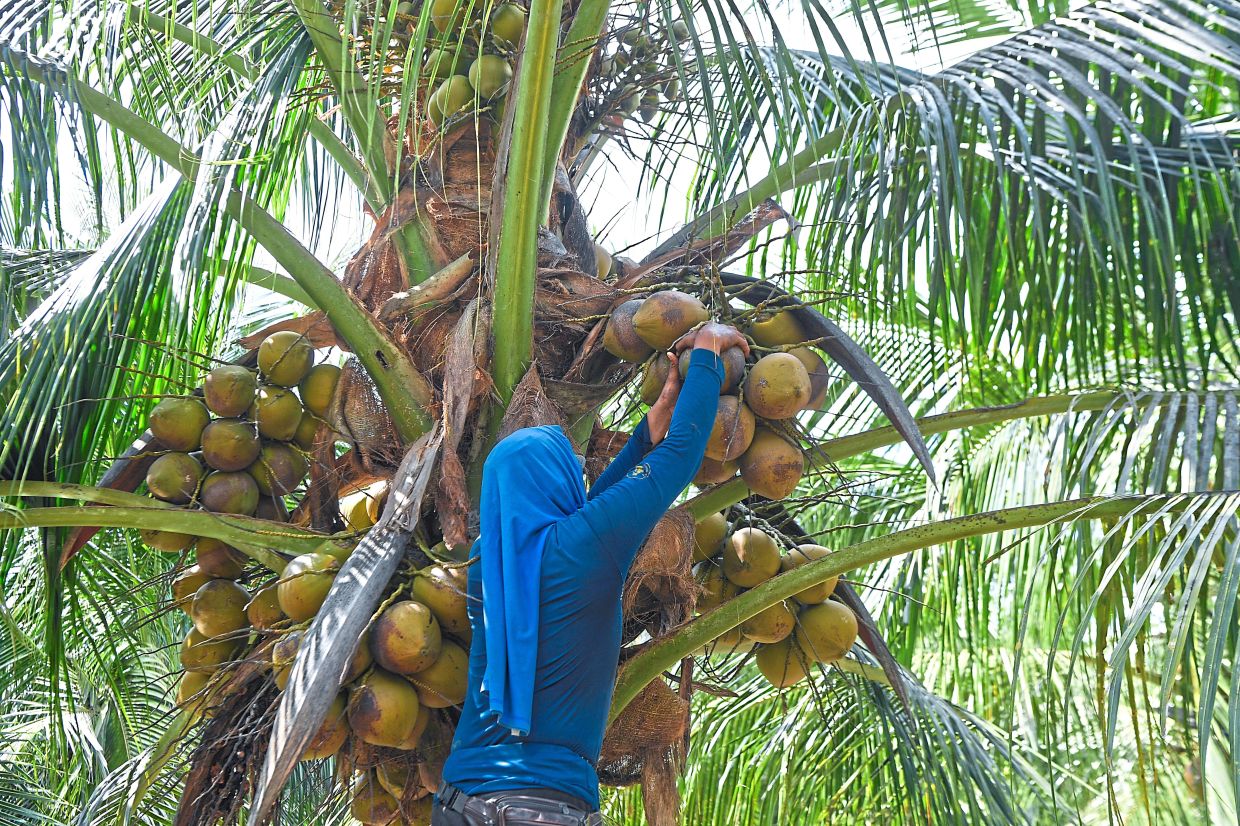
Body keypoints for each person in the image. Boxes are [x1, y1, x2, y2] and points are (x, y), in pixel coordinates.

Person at [433, 322, 749, 825]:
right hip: (539, 809)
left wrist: (648, 432)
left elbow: (596, 518)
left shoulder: (487, 567)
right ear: (552, 483)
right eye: (571, 469)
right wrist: (708, 354)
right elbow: (682, 456)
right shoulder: (581, 546)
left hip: (460, 799)